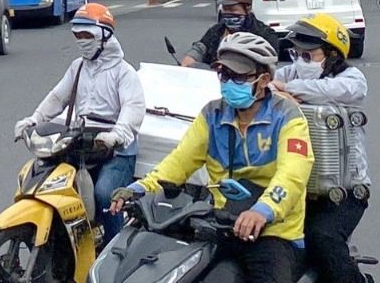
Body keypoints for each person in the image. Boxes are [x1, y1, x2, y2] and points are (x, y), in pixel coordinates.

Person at [114, 32, 312, 283]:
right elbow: (178, 163)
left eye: (238, 76)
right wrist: (137, 188)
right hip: (220, 227)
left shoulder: (288, 117)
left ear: (263, 79)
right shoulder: (212, 114)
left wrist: (262, 211)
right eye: (224, 75)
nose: (228, 82)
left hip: (273, 234)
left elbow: (293, 175)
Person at [16, 3, 144, 244]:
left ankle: (113, 250)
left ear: (104, 35)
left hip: (116, 150)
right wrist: (33, 120)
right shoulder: (78, 67)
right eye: (78, 35)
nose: (82, 40)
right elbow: (57, 97)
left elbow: (133, 108)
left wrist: (117, 134)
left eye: (87, 35)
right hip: (81, 142)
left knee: (105, 194)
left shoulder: (124, 73)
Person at [275, 14, 368, 283]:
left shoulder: (351, 78)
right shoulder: (289, 72)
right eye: (297, 53)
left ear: (331, 53)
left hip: (344, 193)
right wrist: (277, 86)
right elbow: (266, 83)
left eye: (309, 54)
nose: (301, 60)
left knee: (322, 238)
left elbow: (336, 90)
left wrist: (288, 89)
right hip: (294, 187)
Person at [183, 0, 284, 67]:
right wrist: (189, 60)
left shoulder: (265, 34)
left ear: (247, 8)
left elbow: (270, 63)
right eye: (225, 9)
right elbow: (200, 48)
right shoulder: (217, 31)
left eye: (232, 10)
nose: (228, 13)